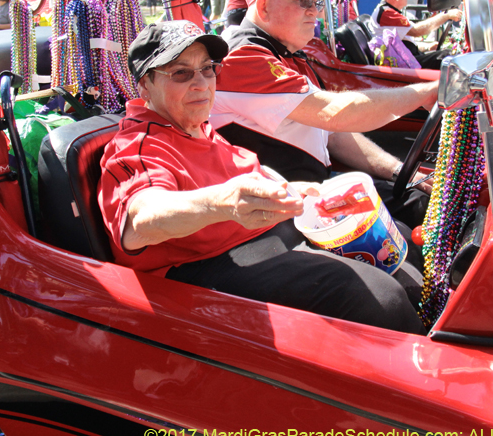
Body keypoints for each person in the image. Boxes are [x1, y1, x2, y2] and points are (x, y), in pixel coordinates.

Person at [98, 20, 425, 334]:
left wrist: (288, 188)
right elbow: (142, 219)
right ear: (145, 85)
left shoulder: (196, 126)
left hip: (271, 241)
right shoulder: (137, 146)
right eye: (181, 73)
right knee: (382, 299)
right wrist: (221, 202)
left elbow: (247, 174)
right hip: (203, 272)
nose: (201, 83)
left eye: (207, 69)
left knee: (403, 258)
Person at [211, 0, 435, 229]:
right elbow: (334, 115)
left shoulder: (285, 52)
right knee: (405, 238)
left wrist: (402, 172)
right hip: (278, 211)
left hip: (314, 192)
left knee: (423, 204)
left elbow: (334, 134)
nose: (315, 13)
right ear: (264, 5)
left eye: (316, 3)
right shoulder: (242, 55)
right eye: (304, 2)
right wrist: (424, 94)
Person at [374, 0, 461, 65]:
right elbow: (417, 31)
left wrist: (427, 47)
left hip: (404, 60)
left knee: (448, 54)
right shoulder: (387, 13)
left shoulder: (388, 12)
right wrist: (446, 16)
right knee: (448, 56)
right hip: (404, 64)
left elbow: (406, 43)